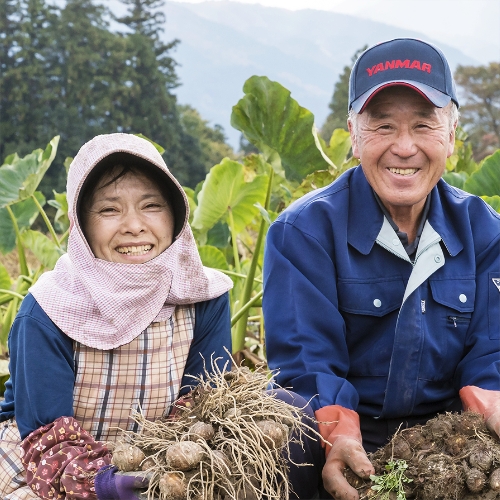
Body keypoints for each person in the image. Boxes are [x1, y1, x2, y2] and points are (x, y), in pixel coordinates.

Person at [263, 38, 500, 499]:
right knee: (282, 440)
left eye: (424, 125)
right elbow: (308, 364)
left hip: (449, 437)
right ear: (354, 135)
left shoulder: (486, 232)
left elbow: (493, 356)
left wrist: (487, 418)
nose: (404, 147)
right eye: (383, 125)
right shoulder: (303, 232)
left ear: (451, 135)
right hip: (341, 434)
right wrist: (338, 436)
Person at [0, 133, 233, 500]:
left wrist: (162, 473)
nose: (134, 226)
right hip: (48, 474)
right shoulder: (47, 311)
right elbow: (47, 444)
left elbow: (202, 408)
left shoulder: (203, 298)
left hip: (156, 466)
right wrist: (106, 483)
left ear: (176, 215)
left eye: (152, 206)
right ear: (81, 226)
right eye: (109, 210)